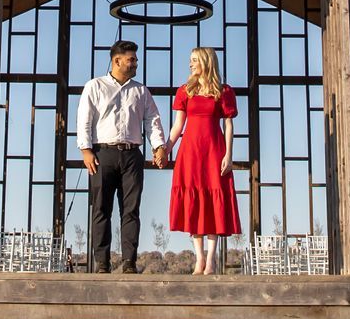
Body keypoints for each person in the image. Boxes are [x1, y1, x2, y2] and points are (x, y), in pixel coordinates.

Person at [76, 40, 167, 273]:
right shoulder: (95, 86)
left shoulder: (141, 91)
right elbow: (84, 118)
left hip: (132, 156)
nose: (136, 63)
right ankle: (102, 263)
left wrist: (158, 147)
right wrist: (85, 149)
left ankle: (129, 262)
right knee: (101, 209)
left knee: (131, 210)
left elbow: (152, 121)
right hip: (101, 154)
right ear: (117, 61)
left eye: (135, 59)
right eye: (131, 59)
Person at [166, 46, 240, 274]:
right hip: (190, 153)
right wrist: (166, 148)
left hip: (213, 151)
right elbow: (178, 125)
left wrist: (229, 154)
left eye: (194, 60)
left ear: (206, 62)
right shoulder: (185, 91)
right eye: (190, 60)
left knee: (213, 199)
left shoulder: (224, 91)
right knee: (194, 200)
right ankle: (199, 258)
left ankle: (211, 258)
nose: (190, 64)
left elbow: (228, 124)